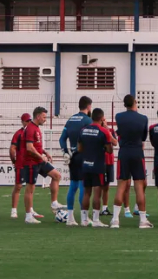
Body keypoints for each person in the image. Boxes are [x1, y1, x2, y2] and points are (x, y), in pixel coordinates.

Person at [110, 94, 152, 228]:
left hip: (124, 152)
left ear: (124, 104)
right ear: (135, 102)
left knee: (121, 186)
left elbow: (120, 132)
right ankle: (143, 220)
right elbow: (143, 137)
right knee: (139, 186)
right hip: (137, 152)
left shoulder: (119, 116)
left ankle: (115, 220)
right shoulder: (143, 118)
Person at [22, 106, 63, 224]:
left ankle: (54, 203)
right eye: (44, 117)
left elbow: (36, 145)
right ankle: (28, 216)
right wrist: (41, 156)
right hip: (31, 162)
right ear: (38, 116)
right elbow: (29, 147)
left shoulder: (36, 128)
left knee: (56, 176)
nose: (45, 119)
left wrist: (45, 153)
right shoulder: (30, 128)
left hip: (39, 161)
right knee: (30, 189)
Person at [77, 108, 114, 228]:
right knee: (97, 192)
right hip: (98, 165)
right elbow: (110, 150)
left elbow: (79, 148)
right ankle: (96, 220)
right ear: (102, 118)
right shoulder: (104, 132)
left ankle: (84, 220)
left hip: (85, 164)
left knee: (86, 192)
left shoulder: (83, 130)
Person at [59, 96, 93, 224]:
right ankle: (84, 218)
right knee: (83, 185)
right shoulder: (88, 120)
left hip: (72, 156)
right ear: (88, 106)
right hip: (84, 155)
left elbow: (62, 139)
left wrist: (65, 152)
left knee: (73, 185)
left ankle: (70, 218)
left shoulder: (70, 119)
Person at [9, 113, 45, 219]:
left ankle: (31, 209)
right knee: (18, 186)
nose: (28, 122)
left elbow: (35, 146)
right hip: (21, 163)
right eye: (26, 121)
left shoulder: (32, 130)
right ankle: (14, 210)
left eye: (29, 120)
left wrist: (44, 152)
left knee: (31, 186)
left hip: (30, 162)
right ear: (22, 122)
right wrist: (14, 160)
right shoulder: (18, 133)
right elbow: (12, 148)